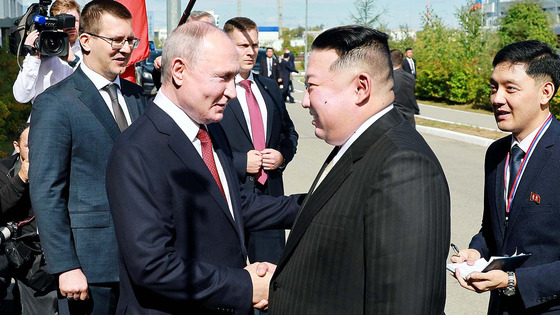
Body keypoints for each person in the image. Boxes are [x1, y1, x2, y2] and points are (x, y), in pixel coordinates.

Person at [106, 21, 302, 314]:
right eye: (223, 78)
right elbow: (153, 266)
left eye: (234, 78)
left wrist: (310, 206)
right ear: (179, 71)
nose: (232, 92)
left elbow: (234, 205)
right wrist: (245, 286)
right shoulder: (137, 151)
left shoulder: (210, 128)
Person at [267, 26, 450, 315]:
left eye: (312, 86)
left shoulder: (404, 166)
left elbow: (404, 305)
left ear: (360, 88)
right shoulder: (357, 142)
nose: (305, 100)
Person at [28, 0, 147, 313]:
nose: (125, 48)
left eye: (129, 41)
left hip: (144, 262)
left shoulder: (138, 98)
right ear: (85, 41)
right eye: (115, 40)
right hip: (90, 269)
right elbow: (46, 189)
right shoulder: (56, 103)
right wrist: (65, 265)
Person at [451, 40, 560, 314]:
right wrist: (476, 253)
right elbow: (494, 228)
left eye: (510, 88)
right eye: (493, 87)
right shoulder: (497, 153)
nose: (497, 98)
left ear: (545, 92)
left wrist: (514, 280)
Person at [220, 17, 298, 267]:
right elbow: (201, 145)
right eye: (243, 45)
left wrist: (282, 156)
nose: (251, 51)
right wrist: (241, 162)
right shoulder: (215, 90)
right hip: (231, 199)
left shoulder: (269, 88)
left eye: (254, 45)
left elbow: (289, 133)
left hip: (270, 198)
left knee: (269, 279)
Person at [0, 123, 58, 315]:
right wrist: (22, 178)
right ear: (16, 146)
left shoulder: (59, 166)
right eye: (29, 145)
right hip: (17, 251)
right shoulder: (4, 170)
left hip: (50, 255)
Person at [13, 0, 82, 105]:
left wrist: (74, 61)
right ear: (52, 23)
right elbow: (21, 97)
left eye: (74, 20)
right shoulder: (40, 50)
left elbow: (97, 87)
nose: (70, 26)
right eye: (65, 21)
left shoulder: (88, 50)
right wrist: (33, 57)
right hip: (44, 118)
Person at [390, 49, 419, 126]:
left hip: (394, 118)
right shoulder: (410, 77)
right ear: (402, 61)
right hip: (409, 117)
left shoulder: (389, 78)